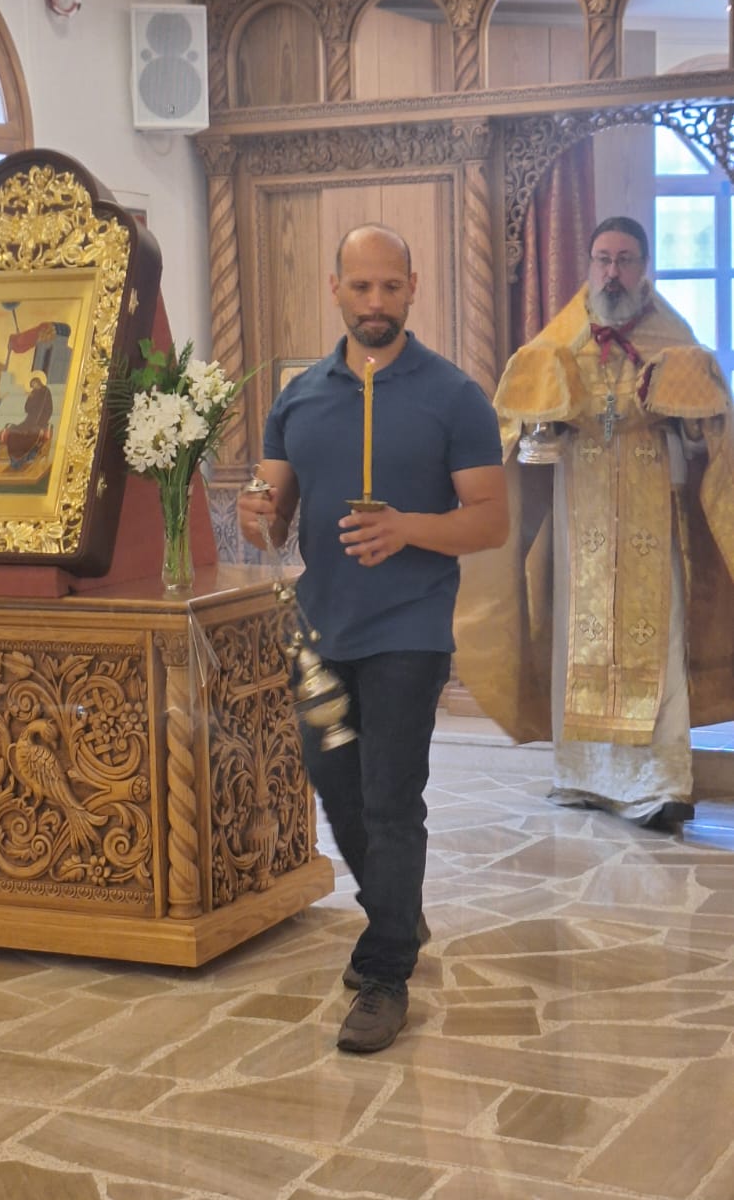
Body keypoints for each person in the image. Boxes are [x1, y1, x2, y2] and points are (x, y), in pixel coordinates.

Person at [238, 223, 507, 1053]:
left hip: (409, 630)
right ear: (336, 290)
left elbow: (491, 521)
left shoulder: (455, 396)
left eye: (391, 285)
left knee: (392, 798)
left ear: (413, 288)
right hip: (318, 631)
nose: (376, 301)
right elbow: (272, 519)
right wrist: (253, 516)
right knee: (336, 784)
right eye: (361, 286)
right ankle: (396, 910)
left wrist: (407, 529)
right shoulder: (298, 398)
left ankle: (385, 972)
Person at [455, 215, 734, 831]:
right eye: (603, 259)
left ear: (644, 268)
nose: (613, 272)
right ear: (587, 266)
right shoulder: (559, 340)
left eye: (626, 260)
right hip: (579, 516)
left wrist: (686, 415)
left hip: (652, 517)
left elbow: (710, 431)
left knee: (659, 641)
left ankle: (659, 785)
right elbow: (517, 425)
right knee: (577, 637)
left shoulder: (672, 338)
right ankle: (583, 777)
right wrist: (544, 420)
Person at [2, 370, 53, 466]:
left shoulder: (46, 391)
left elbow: (48, 408)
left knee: (31, 433)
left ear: (39, 382)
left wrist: (42, 423)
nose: (33, 386)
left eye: (34, 384)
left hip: (41, 420)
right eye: (32, 385)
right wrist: (30, 398)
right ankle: (16, 459)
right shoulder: (33, 393)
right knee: (15, 432)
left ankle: (26, 458)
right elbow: (27, 409)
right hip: (29, 420)